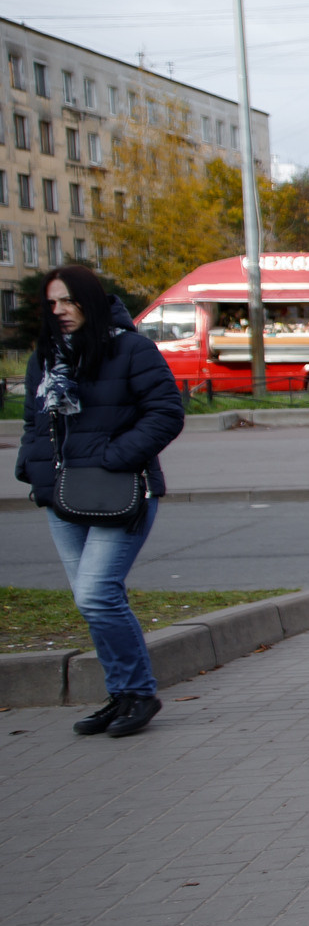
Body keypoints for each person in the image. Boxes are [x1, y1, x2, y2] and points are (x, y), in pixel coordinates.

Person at [17, 264, 185, 738]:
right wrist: (34, 469)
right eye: (52, 302)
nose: (59, 310)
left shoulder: (130, 348)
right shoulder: (46, 356)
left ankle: (140, 693)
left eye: (68, 300)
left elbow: (166, 413)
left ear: (89, 301)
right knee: (93, 600)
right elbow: (34, 421)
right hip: (62, 494)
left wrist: (113, 459)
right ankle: (122, 694)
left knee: (96, 593)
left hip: (120, 491)